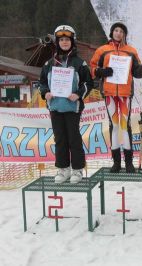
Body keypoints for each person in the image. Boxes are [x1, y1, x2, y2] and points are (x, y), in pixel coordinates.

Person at [90, 22, 142, 173]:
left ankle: (128, 162)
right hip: (109, 94)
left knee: (124, 126)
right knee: (114, 126)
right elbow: (92, 68)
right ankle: (116, 162)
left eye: (121, 31)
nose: (118, 33)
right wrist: (100, 72)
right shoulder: (103, 50)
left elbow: (138, 72)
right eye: (116, 30)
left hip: (125, 94)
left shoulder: (131, 51)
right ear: (112, 33)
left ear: (124, 34)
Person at [39, 25, 93, 183]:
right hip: (55, 107)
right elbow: (42, 82)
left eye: (67, 40)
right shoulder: (49, 64)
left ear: (72, 42)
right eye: (61, 40)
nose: (64, 42)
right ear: (57, 42)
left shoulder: (79, 63)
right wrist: (45, 92)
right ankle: (63, 169)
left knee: (73, 138)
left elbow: (89, 83)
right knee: (60, 139)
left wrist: (78, 95)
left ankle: (77, 170)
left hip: (72, 108)